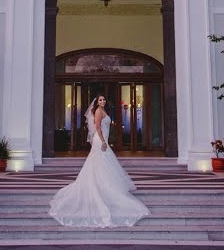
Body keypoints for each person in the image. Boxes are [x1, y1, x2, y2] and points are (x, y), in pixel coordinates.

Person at [48, 94, 150, 227]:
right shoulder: (97, 111)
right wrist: (103, 142)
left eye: (104, 99)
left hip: (104, 140)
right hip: (100, 140)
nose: (102, 101)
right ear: (97, 102)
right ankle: (101, 186)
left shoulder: (104, 111)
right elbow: (98, 128)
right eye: (100, 100)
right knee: (101, 162)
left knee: (103, 163)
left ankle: (105, 184)